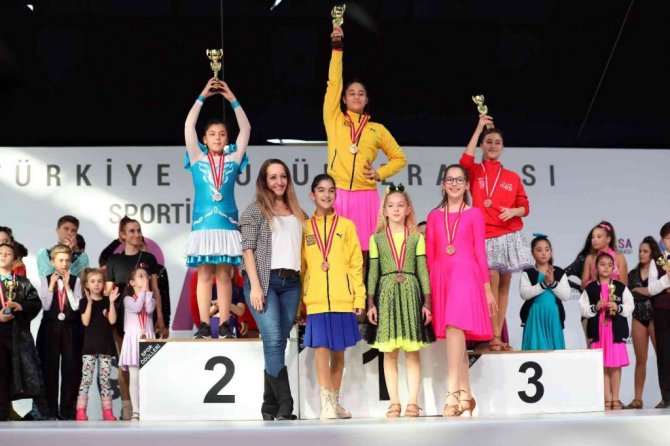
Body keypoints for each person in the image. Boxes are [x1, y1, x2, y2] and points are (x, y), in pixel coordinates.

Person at [324, 25, 407, 262]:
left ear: (367, 99)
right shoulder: (334, 118)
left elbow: (399, 158)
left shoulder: (376, 129)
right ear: (343, 98)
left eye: (361, 93)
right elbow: (333, 83)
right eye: (351, 93)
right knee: (336, 252)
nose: (356, 96)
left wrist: (380, 173)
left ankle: (365, 289)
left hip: (366, 195)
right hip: (339, 192)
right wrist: (337, 49)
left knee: (365, 255)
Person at [426, 164, 497, 417]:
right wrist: (427, 292)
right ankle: (466, 395)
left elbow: (480, 252)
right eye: (450, 180)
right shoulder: (434, 216)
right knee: (454, 332)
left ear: (467, 185)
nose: (454, 184)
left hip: (467, 275)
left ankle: (452, 393)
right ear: (443, 185)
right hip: (440, 276)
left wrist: (487, 288)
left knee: (455, 326)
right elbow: (430, 254)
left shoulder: (475, 214)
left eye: (459, 180)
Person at [185, 78, 251, 340]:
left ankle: (224, 324)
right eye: (212, 134)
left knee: (224, 275)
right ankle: (203, 325)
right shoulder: (197, 158)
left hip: (227, 223)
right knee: (204, 274)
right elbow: (188, 125)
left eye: (222, 134)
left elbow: (246, 128)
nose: (217, 137)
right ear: (204, 138)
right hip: (203, 223)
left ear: (227, 138)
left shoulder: (233, 158)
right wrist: (202, 95)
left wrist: (232, 98)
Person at [460, 116, 532, 351]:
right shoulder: (474, 171)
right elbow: (464, 160)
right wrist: (479, 128)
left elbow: (525, 207)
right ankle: (492, 335)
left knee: (504, 286)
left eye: (497, 143)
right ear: (482, 145)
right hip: (484, 234)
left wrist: (513, 211)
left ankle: (498, 336)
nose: (493, 146)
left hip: (508, 235)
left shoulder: (512, 176)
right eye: (488, 142)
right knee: (490, 283)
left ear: (503, 147)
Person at [239, 159, 304, 420]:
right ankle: (286, 406)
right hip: (265, 283)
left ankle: (269, 406)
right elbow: (247, 250)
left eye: (282, 176)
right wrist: (255, 286)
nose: (279, 181)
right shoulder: (255, 210)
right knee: (274, 339)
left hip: (292, 284)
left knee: (278, 341)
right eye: (273, 177)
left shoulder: (298, 212)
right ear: (264, 182)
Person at [365, 183, 434, 417]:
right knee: (390, 352)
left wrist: (427, 302)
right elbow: (373, 272)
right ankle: (394, 402)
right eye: (391, 206)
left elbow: (422, 270)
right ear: (384, 210)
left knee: (412, 351)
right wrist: (370, 303)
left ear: (408, 210)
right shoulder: (376, 239)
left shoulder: (416, 237)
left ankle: (412, 401)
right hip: (386, 294)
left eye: (400, 205)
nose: (395, 209)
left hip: (411, 293)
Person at [302, 174, 365, 420]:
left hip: (342, 298)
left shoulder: (347, 226)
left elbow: (355, 264)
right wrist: (301, 301)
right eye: (321, 190)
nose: (326, 195)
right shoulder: (305, 227)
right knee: (321, 349)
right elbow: (302, 267)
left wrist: (358, 298)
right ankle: (325, 402)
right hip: (316, 299)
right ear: (312, 195)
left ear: (335, 195)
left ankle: (335, 402)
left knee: (338, 351)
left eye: (330, 190)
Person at [104, 218, 162, 419]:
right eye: (131, 231)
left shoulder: (149, 258)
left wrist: (161, 319)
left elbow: (155, 290)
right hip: (123, 318)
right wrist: (109, 310)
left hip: (146, 317)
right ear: (122, 235)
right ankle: (128, 407)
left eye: (138, 230)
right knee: (126, 364)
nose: (137, 234)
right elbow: (108, 291)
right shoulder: (113, 260)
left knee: (145, 365)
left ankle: (146, 407)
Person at [580, 251, 633, 410]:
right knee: (602, 365)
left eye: (610, 265)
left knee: (615, 365)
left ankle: (616, 398)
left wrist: (618, 307)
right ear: (596, 267)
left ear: (614, 268)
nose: (606, 268)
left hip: (615, 332)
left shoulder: (620, 287)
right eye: (602, 264)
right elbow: (583, 310)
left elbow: (630, 307)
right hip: (599, 332)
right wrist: (595, 307)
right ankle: (607, 399)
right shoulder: (590, 289)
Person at [36, 244, 83, 420]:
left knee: (70, 368)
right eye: (61, 260)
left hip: (71, 327)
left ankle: (67, 411)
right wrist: (51, 286)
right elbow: (46, 305)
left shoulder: (76, 280)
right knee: (49, 368)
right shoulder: (46, 279)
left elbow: (76, 306)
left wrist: (68, 287)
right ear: (52, 262)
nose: (64, 263)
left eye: (67, 260)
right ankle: (50, 411)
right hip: (50, 328)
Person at [0, 243, 45, 421]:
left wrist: (21, 306)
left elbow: (35, 303)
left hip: (17, 335)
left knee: (16, 373)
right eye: (0, 253)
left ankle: (7, 413)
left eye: (8, 254)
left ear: (14, 259)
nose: (3, 256)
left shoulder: (22, 282)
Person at [75, 268, 118, 421]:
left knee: (104, 380)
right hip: (89, 347)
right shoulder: (83, 302)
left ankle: (107, 412)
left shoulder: (107, 301)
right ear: (86, 284)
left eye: (100, 281)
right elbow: (85, 321)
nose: (96, 284)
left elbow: (112, 320)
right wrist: (89, 303)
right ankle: (81, 411)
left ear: (104, 284)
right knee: (86, 379)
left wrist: (111, 302)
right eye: (92, 281)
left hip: (105, 346)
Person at [623, 236, 661, 409]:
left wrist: (642, 290)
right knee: (640, 359)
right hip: (638, 316)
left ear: (652, 253)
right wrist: (645, 291)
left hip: (656, 317)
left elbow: (658, 292)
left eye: (645, 251)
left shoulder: (659, 272)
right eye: (639, 251)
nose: (641, 254)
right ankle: (637, 399)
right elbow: (629, 294)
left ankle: (666, 397)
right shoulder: (632, 274)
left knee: (662, 358)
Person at [519, 234, 570, 350]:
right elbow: (524, 293)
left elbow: (566, 295)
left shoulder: (559, 272)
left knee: (554, 352)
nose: (543, 253)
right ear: (532, 253)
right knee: (535, 349)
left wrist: (552, 283)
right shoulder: (528, 272)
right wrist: (544, 284)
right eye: (539, 250)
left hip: (553, 315)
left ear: (551, 252)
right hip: (534, 316)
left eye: (547, 250)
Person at [118, 268, 156, 421]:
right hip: (133, 339)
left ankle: (148, 408)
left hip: (148, 338)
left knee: (148, 376)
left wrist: (147, 292)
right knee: (134, 377)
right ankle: (136, 410)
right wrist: (143, 292)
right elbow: (137, 307)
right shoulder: (128, 300)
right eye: (141, 276)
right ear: (132, 282)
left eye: (146, 276)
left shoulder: (151, 298)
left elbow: (149, 308)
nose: (145, 278)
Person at [647, 222, 670, 408]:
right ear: (662, 240)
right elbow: (651, 289)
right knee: (664, 353)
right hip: (662, 311)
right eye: (668, 238)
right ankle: (667, 396)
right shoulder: (657, 261)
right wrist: (666, 281)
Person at [580, 221, 628, 288]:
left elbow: (624, 284)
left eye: (599, 237)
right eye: (593, 237)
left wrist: (608, 286)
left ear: (608, 239)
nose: (595, 240)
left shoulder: (620, 258)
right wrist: (595, 283)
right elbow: (583, 286)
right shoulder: (590, 258)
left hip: (614, 294)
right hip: (595, 294)